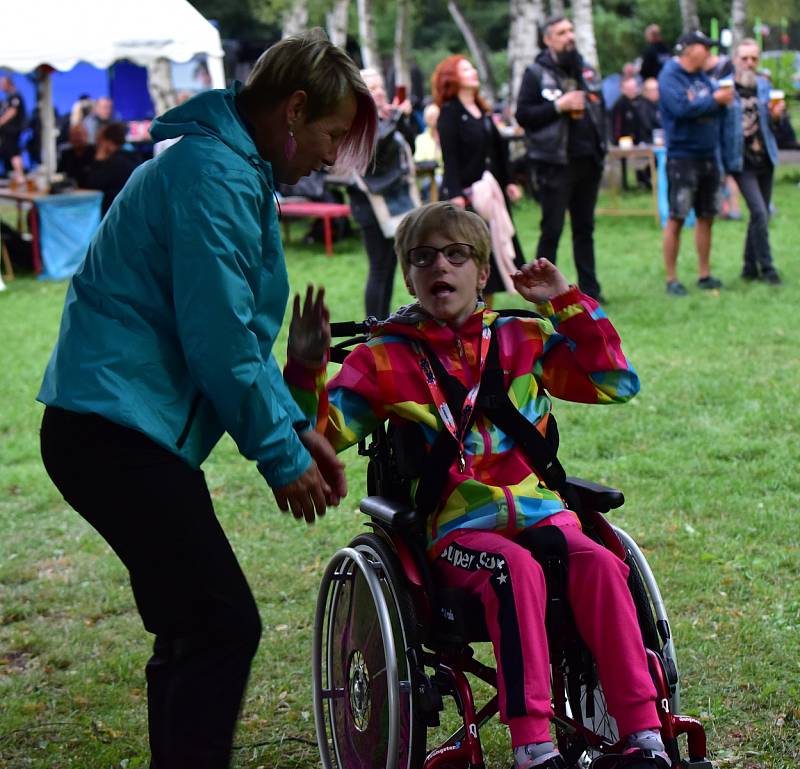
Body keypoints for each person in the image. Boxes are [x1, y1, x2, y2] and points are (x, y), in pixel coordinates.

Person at [37, 29, 377, 769]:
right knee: (221, 623)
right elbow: (217, 341)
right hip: (110, 435)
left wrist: (293, 414)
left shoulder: (231, 169)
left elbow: (232, 340)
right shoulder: (214, 175)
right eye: (327, 133)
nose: (329, 155)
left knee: (194, 626)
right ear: (292, 110)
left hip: (116, 433)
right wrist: (282, 452)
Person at [285, 201, 669, 769]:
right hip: (459, 532)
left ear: (482, 271)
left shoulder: (524, 338)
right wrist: (304, 370)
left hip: (541, 513)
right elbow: (315, 439)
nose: (440, 265)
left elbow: (616, 382)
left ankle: (644, 738)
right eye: (423, 257)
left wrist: (566, 303)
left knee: (603, 565)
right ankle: (534, 748)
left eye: (456, 253)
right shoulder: (385, 359)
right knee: (513, 573)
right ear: (410, 275)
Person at [515, 15, 608, 303]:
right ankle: (541, 290)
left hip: (587, 159)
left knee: (585, 228)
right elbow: (524, 116)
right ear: (548, 39)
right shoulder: (535, 73)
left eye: (571, 31)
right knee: (552, 228)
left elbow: (600, 106)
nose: (569, 36)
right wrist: (558, 106)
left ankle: (590, 290)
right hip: (554, 162)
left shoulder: (585, 69)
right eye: (562, 32)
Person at [433, 54, 525, 306]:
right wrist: (454, 193)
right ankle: (467, 316)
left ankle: (484, 317)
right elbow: (449, 156)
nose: (473, 71)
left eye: (472, 67)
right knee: (471, 259)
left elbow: (498, 150)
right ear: (452, 78)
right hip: (466, 197)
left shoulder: (483, 111)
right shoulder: (450, 113)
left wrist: (509, 182)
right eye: (465, 69)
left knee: (491, 260)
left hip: (492, 195)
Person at [658, 30, 733, 296]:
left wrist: (711, 102)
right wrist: (712, 101)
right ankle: (671, 279)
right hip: (682, 156)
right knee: (677, 217)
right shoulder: (669, 76)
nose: (710, 52)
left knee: (707, 216)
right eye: (706, 47)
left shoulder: (703, 77)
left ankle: (704, 274)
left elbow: (707, 105)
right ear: (689, 49)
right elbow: (681, 110)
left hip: (708, 154)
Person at [347, 67, 418, 320]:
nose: (379, 93)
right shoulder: (354, 120)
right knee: (379, 267)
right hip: (369, 204)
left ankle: (382, 323)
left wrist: (402, 119)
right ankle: (373, 327)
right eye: (372, 88)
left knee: (389, 266)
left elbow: (410, 145)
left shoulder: (385, 117)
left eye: (381, 88)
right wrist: (397, 116)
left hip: (393, 200)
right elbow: (378, 149)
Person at [720, 39, 783, 285]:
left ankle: (748, 267)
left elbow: (777, 127)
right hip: (740, 161)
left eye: (754, 58)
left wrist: (778, 117)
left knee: (760, 214)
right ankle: (768, 269)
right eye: (744, 58)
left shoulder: (765, 86)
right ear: (735, 59)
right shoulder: (725, 89)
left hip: (765, 158)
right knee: (759, 211)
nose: (749, 63)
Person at [84, 122, 141, 214]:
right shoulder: (133, 156)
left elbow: (93, 184)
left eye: (99, 140)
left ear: (107, 142)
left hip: (115, 213)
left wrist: (98, 160)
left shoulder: (114, 162)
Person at [413, 102, 443, 201]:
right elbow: (419, 161)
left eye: (436, 116)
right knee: (435, 182)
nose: (434, 120)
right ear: (426, 120)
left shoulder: (448, 135)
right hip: (430, 177)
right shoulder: (421, 139)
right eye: (431, 117)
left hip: (447, 175)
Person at [0, 75, 27, 182]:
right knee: (9, 153)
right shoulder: (8, 97)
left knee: (13, 153)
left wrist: (1, 121)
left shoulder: (15, 96)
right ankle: (15, 176)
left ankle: (20, 177)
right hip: (7, 132)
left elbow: (12, 111)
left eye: (2, 84)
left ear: (8, 84)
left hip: (12, 131)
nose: (1, 87)